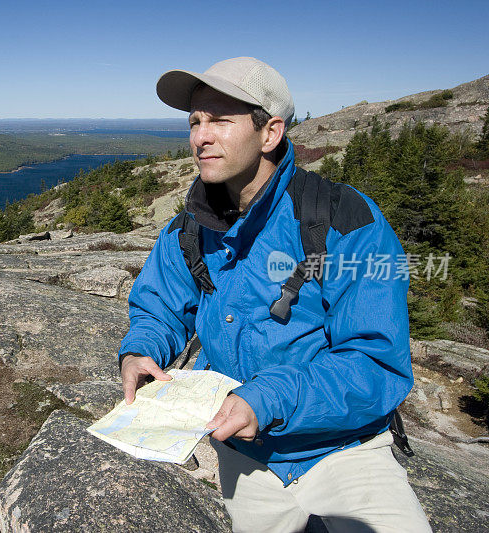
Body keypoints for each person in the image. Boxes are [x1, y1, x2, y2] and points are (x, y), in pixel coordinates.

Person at [118, 57, 431, 532]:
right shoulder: (187, 229)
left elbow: (376, 362)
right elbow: (160, 305)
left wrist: (267, 399)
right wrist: (141, 349)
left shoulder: (342, 220)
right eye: (195, 122)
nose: (200, 137)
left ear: (271, 133)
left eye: (220, 120)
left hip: (342, 450)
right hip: (244, 456)